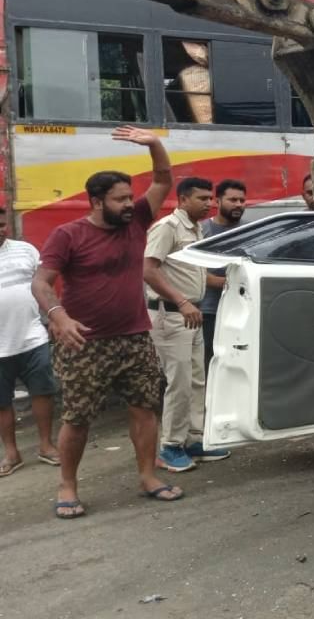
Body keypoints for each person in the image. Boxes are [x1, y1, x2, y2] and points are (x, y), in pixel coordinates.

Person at [31, 126, 184, 518]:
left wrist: (154, 144)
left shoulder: (135, 223)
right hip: (85, 342)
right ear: (97, 202)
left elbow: (164, 179)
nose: (130, 204)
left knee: (145, 407)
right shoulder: (68, 235)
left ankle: (148, 476)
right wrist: (58, 316)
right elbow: (42, 282)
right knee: (78, 417)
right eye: (120, 199)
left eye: (130, 196)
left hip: (134, 337)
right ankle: (67, 485)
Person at [146, 176, 228, 472]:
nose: (209, 203)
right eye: (202, 198)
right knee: (178, 383)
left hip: (190, 314)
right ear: (182, 200)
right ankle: (170, 446)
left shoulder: (194, 229)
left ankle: (193, 439)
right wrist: (181, 301)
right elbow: (148, 270)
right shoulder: (167, 228)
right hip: (171, 315)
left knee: (196, 379)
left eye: (210, 198)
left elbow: (192, 272)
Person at [0, 206, 60, 477]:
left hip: (32, 336)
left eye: (2, 225)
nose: (0, 230)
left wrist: (54, 318)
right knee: (2, 402)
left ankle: (46, 446)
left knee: (43, 391)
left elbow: (44, 286)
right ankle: (11, 453)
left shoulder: (26, 250)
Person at [199, 180, 246, 374]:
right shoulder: (201, 230)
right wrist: (231, 283)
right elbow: (194, 274)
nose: (238, 204)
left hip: (242, 312)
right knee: (209, 364)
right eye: (232, 199)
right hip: (209, 311)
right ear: (217, 201)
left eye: (242, 200)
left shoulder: (251, 231)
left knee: (238, 364)